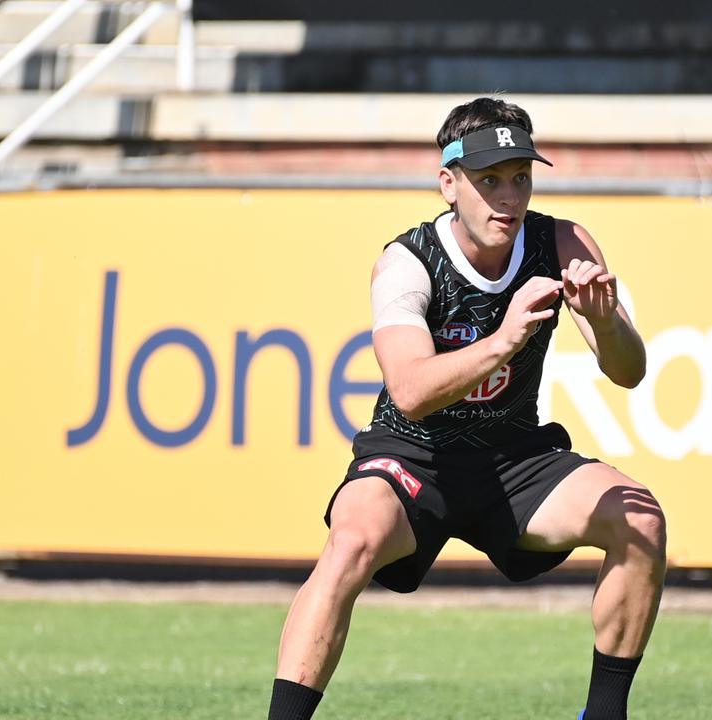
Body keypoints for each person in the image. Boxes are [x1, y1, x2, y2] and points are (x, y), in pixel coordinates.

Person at [267, 97, 666, 720]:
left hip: (514, 458)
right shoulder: (408, 261)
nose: (508, 197)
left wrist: (604, 322)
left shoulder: (561, 241)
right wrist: (505, 339)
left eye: (521, 178)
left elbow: (630, 373)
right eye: (489, 181)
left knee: (640, 519)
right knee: (351, 540)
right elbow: (410, 391)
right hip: (413, 456)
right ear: (448, 183)